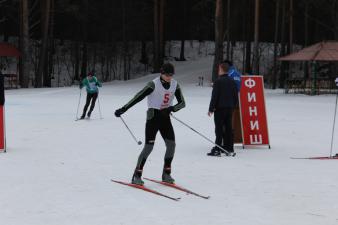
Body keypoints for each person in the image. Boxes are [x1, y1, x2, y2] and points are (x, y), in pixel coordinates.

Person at [114, 63, 185, 185]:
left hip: (165, 118)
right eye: (167, 75)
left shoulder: (175, 84)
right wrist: (124, 108)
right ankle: (137, 175)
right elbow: (138, 97)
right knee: (149, 147)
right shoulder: (153, 84)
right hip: (153, 118)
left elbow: (182, 103)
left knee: (171, 145)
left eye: (171, 75)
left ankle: (166, 173)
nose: (170, 77)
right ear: (162, 73)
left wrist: (171, 109)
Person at [207, 61, 239, 156]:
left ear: (221, 69)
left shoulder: (218, 81)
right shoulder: (232, 81)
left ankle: (217, 148)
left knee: (219, 129)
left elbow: (215, 97)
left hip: (220, 109)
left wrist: (211, 109)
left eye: (219, 69)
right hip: (229, 108)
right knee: (228, 128)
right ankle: (229, 148)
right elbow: (235, 96)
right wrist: (233, 106)